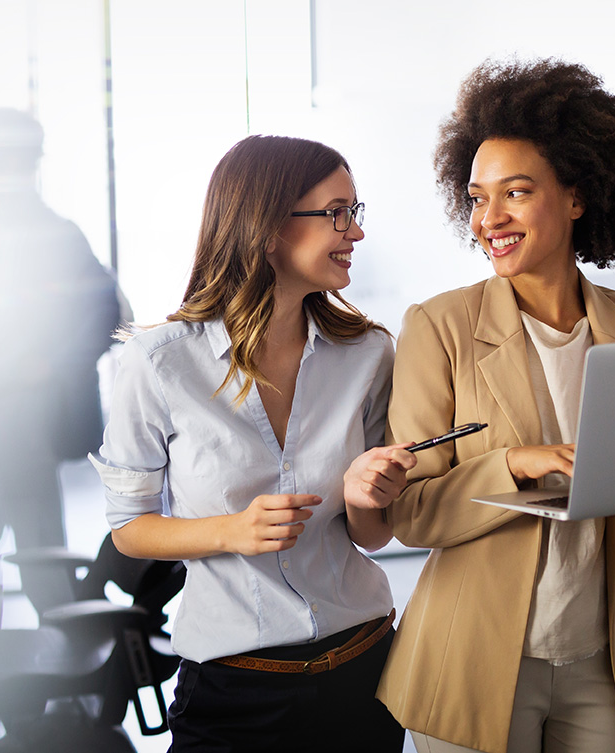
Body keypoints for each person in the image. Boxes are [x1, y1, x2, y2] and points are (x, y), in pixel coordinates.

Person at [376, 58, 615, 753]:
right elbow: (409, 512)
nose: (488, 219)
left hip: (604, 660)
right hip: (472, 656)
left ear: (577, 197)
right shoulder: (438, 328)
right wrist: (515, 463)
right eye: (475, 197)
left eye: (515, 192)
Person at [91, 135, 410, 753]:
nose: (355, 233)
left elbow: (373, 536)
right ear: (266, 229)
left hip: (363, 672)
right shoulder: (158, 364)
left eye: (355, 213)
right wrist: (229, 531)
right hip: (233, 692)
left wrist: (368, 495)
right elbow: (128, 529)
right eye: (336, 214)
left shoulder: (369, 353)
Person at [0, 108, 123, 612]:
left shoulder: (49, 232)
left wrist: (48, 366)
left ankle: (78, 663)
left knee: (38, 553)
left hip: (19, 416)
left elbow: (105, 311)